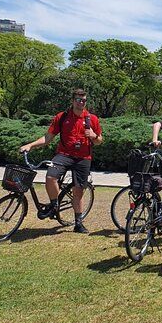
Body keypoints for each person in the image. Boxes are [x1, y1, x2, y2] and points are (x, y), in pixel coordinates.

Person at [19, 88, 103, 233]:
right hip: (64, 155)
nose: (81, 102)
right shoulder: (62, 117)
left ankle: (78, 223)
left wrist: (94, 136)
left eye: (84, 100)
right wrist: (30, 145)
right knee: (50, 176)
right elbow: (48, 138)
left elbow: (99, 141)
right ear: (72, 100)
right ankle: (54, 205)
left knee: (78, 191)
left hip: (83, 158)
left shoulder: (92, 119)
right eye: (78, 99)